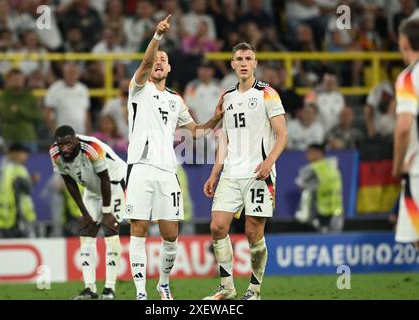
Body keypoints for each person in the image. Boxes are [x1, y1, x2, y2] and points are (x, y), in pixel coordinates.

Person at [126, 15, 223, 300]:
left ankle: (163, 283)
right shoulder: (138, 88)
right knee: (139, 229)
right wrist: (157, 36)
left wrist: (216, 118)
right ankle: (141, 292)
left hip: (168, 171)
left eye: (163, 59)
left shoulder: (176, 99)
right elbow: (144, 63)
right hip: (141, 167)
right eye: (155, 58)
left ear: (168, 68)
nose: (158, 61)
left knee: (170, 234)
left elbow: (196, 131)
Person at [203, 42, 287, 300]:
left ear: (255, 63)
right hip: (230, 173)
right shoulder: (226, 97)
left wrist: (269, 162)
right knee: (217, 227)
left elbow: (282, 134)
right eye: (238, 58)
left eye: (247, 58)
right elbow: (224, 138)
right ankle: (227, 287)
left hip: (258, 173)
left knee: (253, 233)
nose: (242, 62)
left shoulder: (267, 93)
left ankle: (254, 289)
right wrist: (214, 173)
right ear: (231, 64)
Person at [50, 125, 127, 300]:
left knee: (110, 231)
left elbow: (105, 179)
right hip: (92, 191)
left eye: (68, 144)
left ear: (75, 140)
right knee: (86, 232)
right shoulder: (55, 153)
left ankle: (109, 289)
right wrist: (84, 213)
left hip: (113, 184)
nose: (65, 149)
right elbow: (69, 181)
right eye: (61, 145)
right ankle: (90, 288)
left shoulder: (92, 148)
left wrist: (107, 211)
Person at [392, 18, 419, 249]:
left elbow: (403, 127)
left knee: (418, 235)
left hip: (417, 167)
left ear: (404, 43)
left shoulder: (410, 78)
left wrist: (397, 165)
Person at [294, 144, 344, 233]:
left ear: (318, 153)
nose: (307, 156)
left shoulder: (310, 169)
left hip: (318, 213)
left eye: (310, 153)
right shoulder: (334, 165)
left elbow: (301, 185)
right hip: (336, 210)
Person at [0, 143, 37, 238]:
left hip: (6, 218)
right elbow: (25, 190)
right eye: (24, 153)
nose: (26, 156)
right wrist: (31, 181)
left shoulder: (5, 168)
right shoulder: (18, 169)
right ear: (15, 154)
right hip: (17, 218)